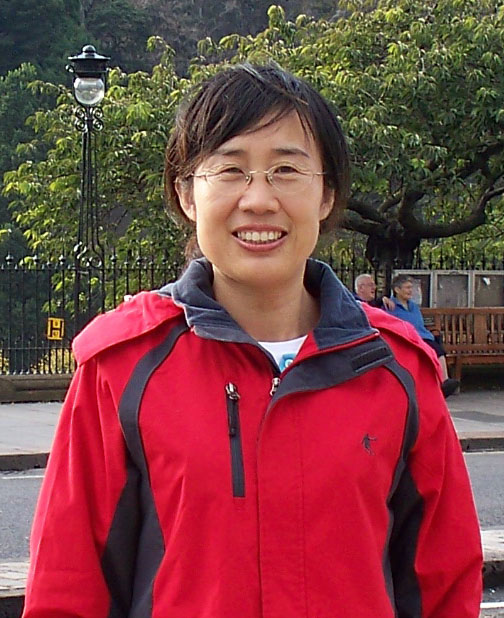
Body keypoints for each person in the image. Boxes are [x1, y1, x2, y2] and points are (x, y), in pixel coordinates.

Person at [23, 64, 482, 617]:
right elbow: (68, 585)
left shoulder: (394, 369)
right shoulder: (122, 368)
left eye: (286, 169)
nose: (259, 199)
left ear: (326, 194)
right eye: (231, 170)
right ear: (187, 194)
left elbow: (444, 585)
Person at [388, 274, 460, 398]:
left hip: (423, 337)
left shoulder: (413, 306)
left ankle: (443, 381)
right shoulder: (390, 306)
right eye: (407, 288)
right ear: (397, 290)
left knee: (437, 349)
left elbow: (419, 324)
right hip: (408, 339)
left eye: (411, 287)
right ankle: (443, 381)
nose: (410, 291)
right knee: (434, 350)